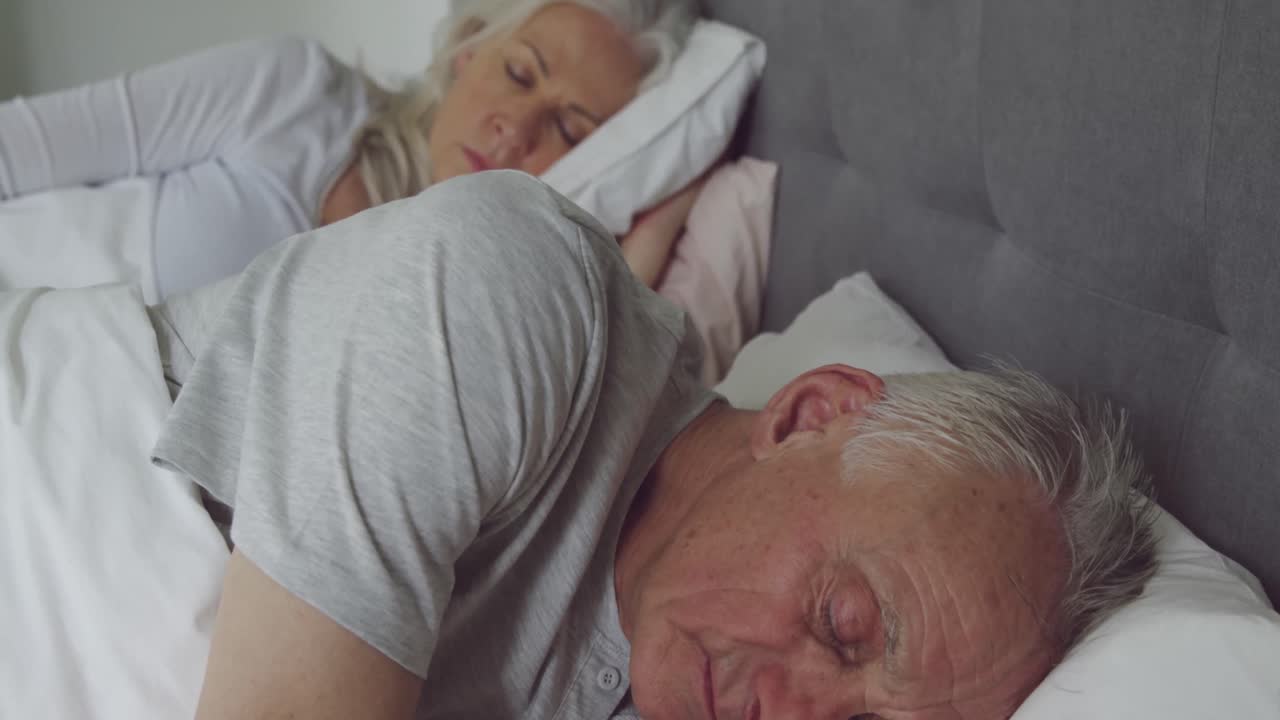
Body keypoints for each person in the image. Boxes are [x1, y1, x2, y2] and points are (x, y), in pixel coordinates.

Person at [148, 170, 1158, 719]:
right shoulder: (506, 295)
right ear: (807, 418)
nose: (792, 714)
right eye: (844, 624)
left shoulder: (667, 670)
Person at [0, 0, 700, 299]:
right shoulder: (294, 93)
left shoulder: (477, 302)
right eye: (517, 73)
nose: (515, 129)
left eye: (571, 131)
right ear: (469, 50)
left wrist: (640, 254)